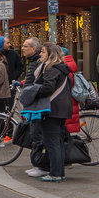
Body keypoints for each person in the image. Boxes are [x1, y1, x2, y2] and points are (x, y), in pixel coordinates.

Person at [26, 42, 73, 184]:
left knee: (52, 142)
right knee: (57, 142)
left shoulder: (52, 69)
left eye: (43, 52)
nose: (40, 54)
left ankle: (55, 174)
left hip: (52, 110)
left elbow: (47, 88)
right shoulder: (62, 68)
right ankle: (59, 173)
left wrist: (33, 91)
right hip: (62, 109)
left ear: (50, 54)